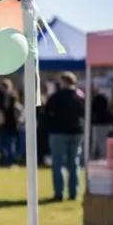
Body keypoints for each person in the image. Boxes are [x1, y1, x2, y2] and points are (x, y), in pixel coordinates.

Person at [45, 72, 85, 201]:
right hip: (77, 132)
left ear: (63, 82)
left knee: (58, 163)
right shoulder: (80, 96)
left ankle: (59, 193)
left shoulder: (56, 96)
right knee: (74, 163)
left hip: (59, 132)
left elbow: (47, 114)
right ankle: (73, 193)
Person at [0, 79, 20, 166]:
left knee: (7, 143)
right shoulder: (8, 96)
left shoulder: (9, 96)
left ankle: (8, 161)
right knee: (6, 143)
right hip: (5, 123)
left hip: (8, 124)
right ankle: (7, 161)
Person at [90, 88, 113, 160]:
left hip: (98, 123)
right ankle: (103, 155)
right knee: (103, 140)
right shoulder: (104, 99)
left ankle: (97, 155)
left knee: (96, 141)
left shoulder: (95, 100)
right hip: (106, 122)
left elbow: (93, 111)